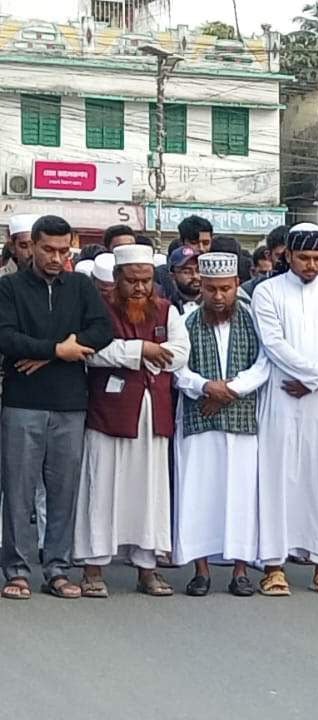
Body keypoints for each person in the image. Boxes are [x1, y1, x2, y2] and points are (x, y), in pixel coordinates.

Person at [0, 215, 113, 600]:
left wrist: (51, 355)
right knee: (18, 491)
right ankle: (16, 571)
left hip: (69, 403)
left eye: (64, 251)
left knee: (63, 491)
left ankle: (58, 569)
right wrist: (57, 348)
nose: (56, 257)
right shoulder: (9, 287)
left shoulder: (80, 286)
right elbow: (6, 337)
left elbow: (102, 331)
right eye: (48, 249)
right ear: (31, 245)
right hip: (22, 402)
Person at [75, 244, 191, 597]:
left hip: (152, 413)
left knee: (150, 490)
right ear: (117, 280)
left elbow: (180, 354)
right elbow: (93, 352)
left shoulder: (167, 310)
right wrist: (141, 351)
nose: (140, 288)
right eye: (132, 281)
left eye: (146, 281)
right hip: (109, 412)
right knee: (102, 487)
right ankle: (93, 568)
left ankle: (147, 568)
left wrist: (134, 355)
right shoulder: (99, 309)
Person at [252, 223, 318, 597]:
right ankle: (274, 567)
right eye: (303, 258)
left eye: (317, 258)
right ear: (288, 256)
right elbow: (274, 343)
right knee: (277, 480)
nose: (311, 265)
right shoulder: (267, 293)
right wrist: (317, 374)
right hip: (282, 398)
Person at [171, 252, 271, 597]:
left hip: (242, 423)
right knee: (198, 494)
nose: (218, 297)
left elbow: (264, 364)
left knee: (242, 497)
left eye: (225, 289)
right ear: (201, 287)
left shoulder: (254, 321)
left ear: (236, 286)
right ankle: (201, 571)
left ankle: (240, 571)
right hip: (200, 422)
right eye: (211, 289)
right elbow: (177, 368)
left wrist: (229, 389)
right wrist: (204, 387)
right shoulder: (186, 322)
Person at [242, 226, 289, 297]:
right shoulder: (250, 290)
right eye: (279, 255)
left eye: (288, 255)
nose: (285, 260)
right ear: (268, 255)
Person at [167, 245, 202, 315]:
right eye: (187, 272)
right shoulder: (166, 308)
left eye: (198, 270)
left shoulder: (213, 305)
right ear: (173, 276)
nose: (195, 276)